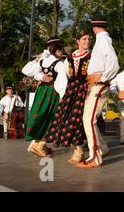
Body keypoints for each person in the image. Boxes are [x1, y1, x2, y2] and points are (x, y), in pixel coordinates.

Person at [75, 15, 119, 169]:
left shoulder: (102, 40)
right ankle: (102, 148)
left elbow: (114, 63)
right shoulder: (103, 40)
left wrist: (103, 78)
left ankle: (95, 156)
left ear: (94, 27)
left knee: (89, 119)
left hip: (99, 85)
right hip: (97, 84)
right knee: (88, 118)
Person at [44, 30, 91, 164]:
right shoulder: (70, 58)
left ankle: (90, 148)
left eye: (88, 39)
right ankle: (79, 149)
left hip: (85, 90)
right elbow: (63, 77)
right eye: (84, 39)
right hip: (72, 91)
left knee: (82, 120)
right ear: (78, 41)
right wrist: (64, 93)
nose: (87, 42)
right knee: (70, 120)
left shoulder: (91, 56)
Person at [22, 37, 67, 157]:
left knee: (41, 117)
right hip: (53, 92)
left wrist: (41, 77)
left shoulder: (42, 61)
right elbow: (62, 83)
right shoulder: (59, 64)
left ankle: (40, 144)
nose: (62, 52)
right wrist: (63, 97)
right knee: (52, 118)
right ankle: (39, 145)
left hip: (41, 91)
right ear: (57, 49)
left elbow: (26, 70)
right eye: (61, 49)